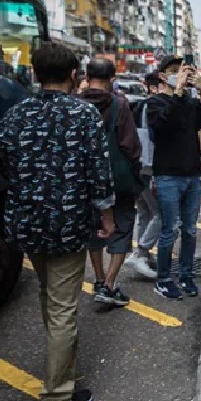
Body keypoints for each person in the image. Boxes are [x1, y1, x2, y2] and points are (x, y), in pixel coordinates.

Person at [0, 42, 114, 401]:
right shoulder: (84, 114)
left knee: (50, 295)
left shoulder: (16, 114)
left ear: (35, 73)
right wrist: (107, 216)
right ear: (74, 75)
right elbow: (99, 172)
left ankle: (62, 368)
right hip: (67, 225)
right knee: (62, 307)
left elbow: (2, 158)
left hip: (27, 222)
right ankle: (58, 396)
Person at [147, 55, 201, 299]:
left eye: (184, 70)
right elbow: (162, 125)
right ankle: (163, 279)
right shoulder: (155, 102)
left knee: (190, 230)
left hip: (192, 175)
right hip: (168, 176)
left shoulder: (188, 101)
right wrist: (177, 93)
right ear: (163, 76)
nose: (180, 74)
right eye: (174, 70)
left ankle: (186, 275)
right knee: (170, 229)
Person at [78, 58, 142, 305]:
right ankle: (109, 284)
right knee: (122, 228)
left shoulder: (76, 104)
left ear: (86, 77)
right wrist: (135, 173)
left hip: (87, 180)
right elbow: (131, 146)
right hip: (118, 181)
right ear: (112, 79)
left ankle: (98, 278)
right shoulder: (119, 104)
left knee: (95, 229)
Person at [125, 72, 164, 279]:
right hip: (149, 168)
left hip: (137, 167)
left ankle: (143, 256)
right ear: (153, 88)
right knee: (161, 214)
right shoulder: (153, 108)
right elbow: (153, 142)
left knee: (145, 212)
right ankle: (140, 253)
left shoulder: (139, 106)